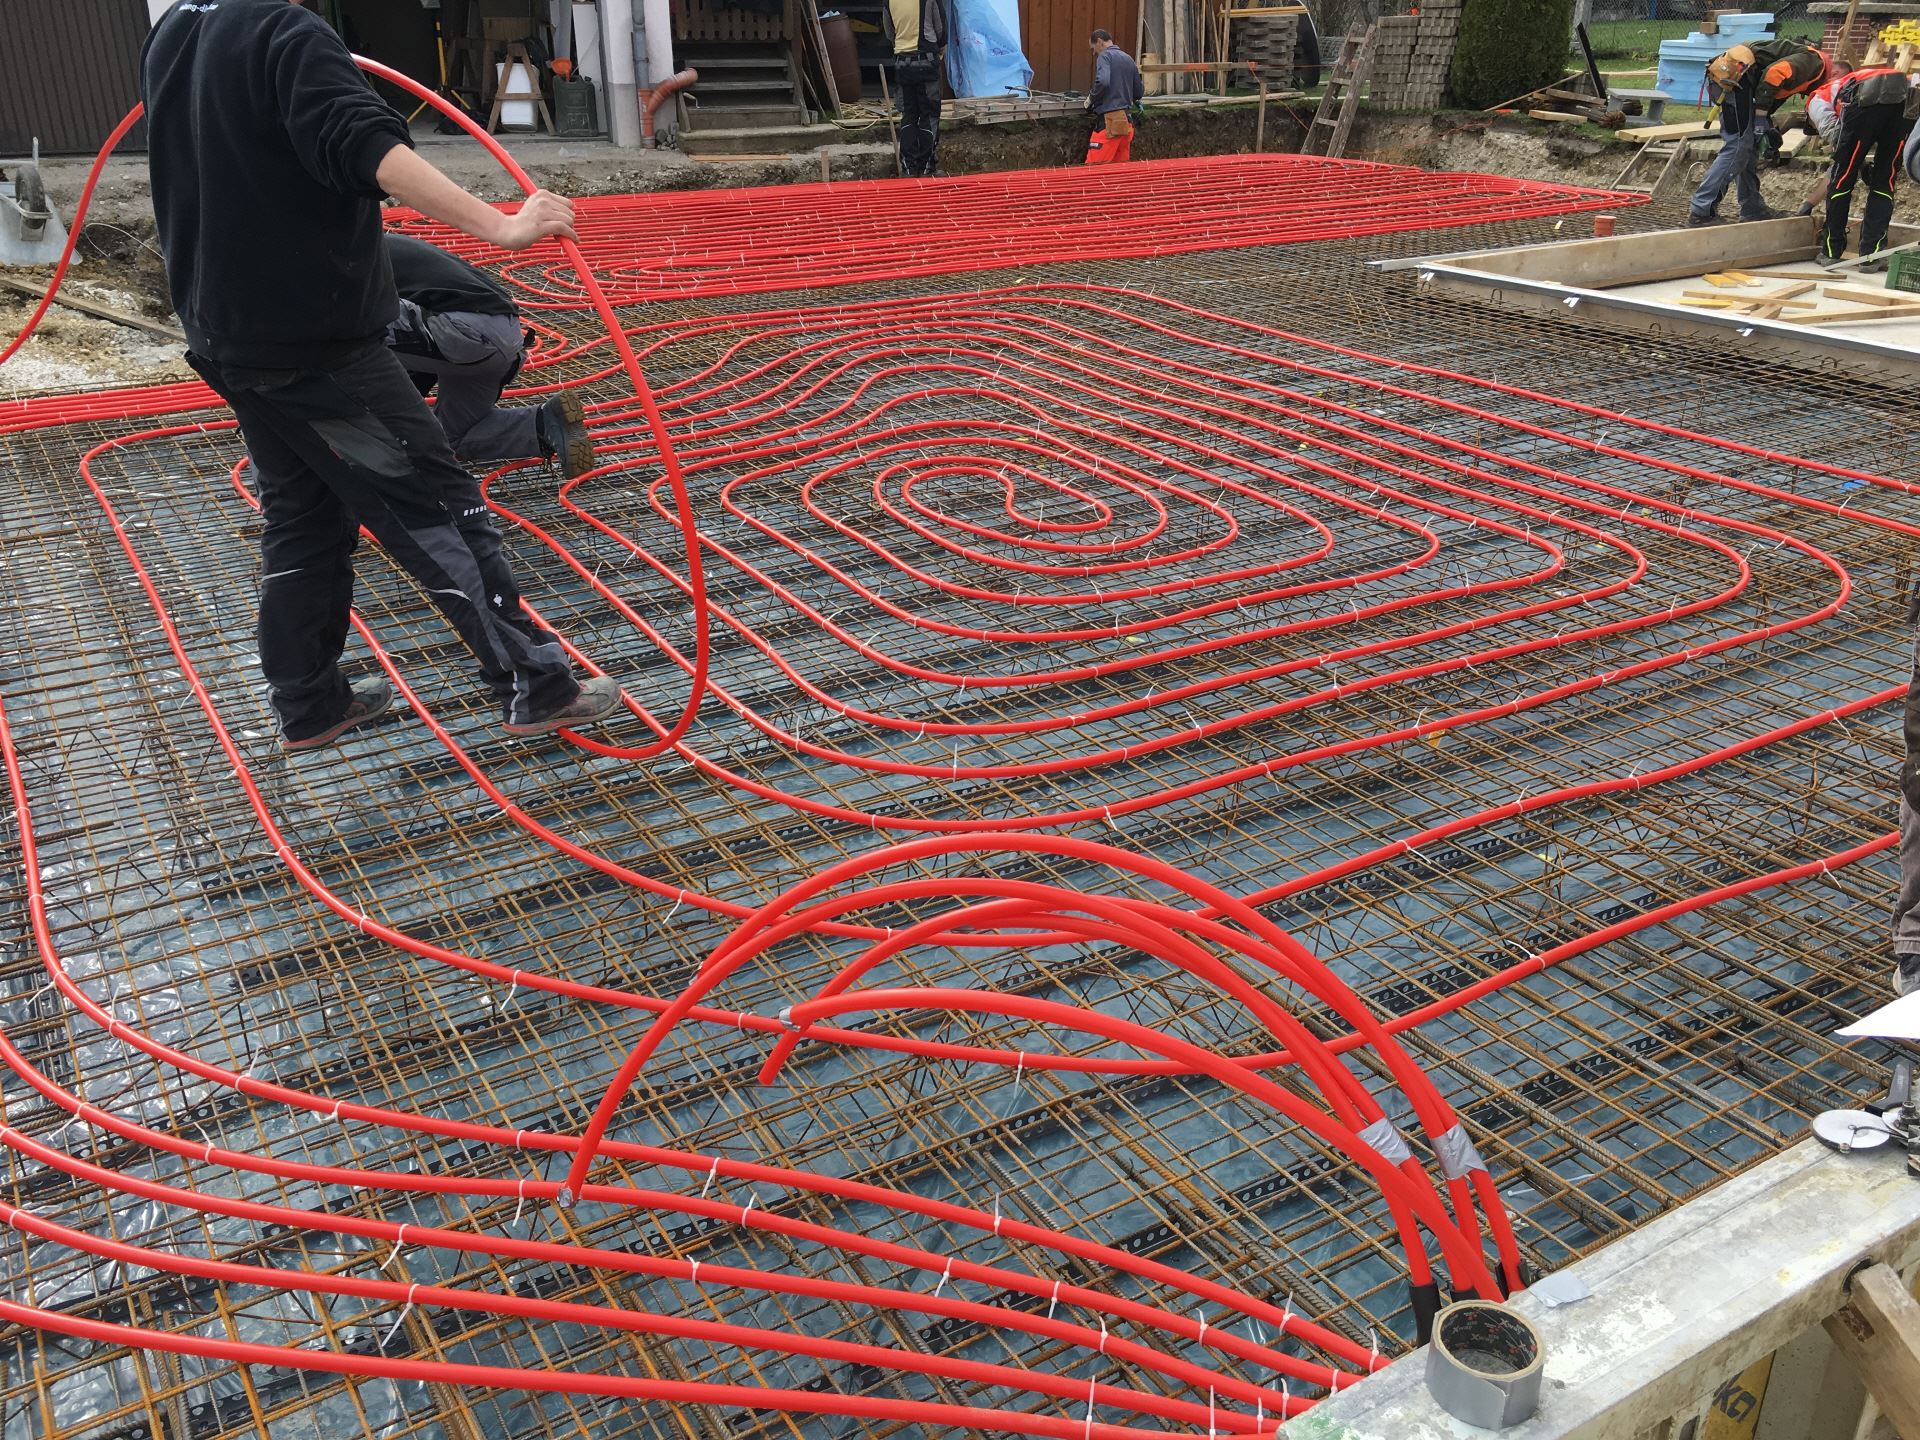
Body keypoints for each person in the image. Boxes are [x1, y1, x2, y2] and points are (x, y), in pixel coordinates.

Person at [141, 0, 620, 752]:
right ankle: (538, 685)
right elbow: (367, 145)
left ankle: (308, 703)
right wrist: (504, 225)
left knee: (305, 519)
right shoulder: (286, 32)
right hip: (317, 344)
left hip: (227, 336)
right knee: (439, 505)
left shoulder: (175, 29)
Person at [385, 234, 595, 477]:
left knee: (355, 326)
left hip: (465, 334)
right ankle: (544, 421)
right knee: (451, 437)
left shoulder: (355, 253)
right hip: (504, 337)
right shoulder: (389, 246)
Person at [1688, 39, 1828, 228]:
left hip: (1736, 81)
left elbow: (1769, 91)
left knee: (1749, 145)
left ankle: (1752, 209)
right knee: (1738, 145)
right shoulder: (1814, 63)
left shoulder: (1805, 72)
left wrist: (1765, 125)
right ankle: (1701, 211)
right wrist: (1760, 118)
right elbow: (1774, 74)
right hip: (1734, 79)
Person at [1804, 66, 1916, 266]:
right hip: (1905, 100)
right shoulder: (1854, 78)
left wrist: (1857, 164)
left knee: (1842, 180)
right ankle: (1871, 257)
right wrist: (1862, 164)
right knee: (1885, 181)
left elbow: (1836, 136)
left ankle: (1831, 252)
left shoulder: (1816, 99)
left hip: (1864, 102)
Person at [886, 0, 948, 178]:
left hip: (902, 64)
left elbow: (890, 32)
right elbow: (941, 31)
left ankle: (909, 168)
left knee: (909, 114)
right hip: (926, 61)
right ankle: (927, 167)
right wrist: (939, 51)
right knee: (929, 114)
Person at [1085, 30, 1144, 165]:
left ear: (1100, 42)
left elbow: (1103, 82)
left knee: (1093, 169)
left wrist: (1091, 98)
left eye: (1093, 49)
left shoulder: (1104, 56)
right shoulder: (1128, 58)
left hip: (1109, 124)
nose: (1093, 53)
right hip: (1126, 124)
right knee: (1119, 170)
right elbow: (1138, 92)